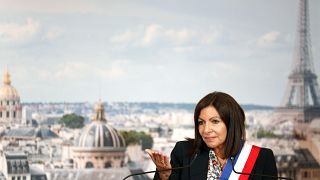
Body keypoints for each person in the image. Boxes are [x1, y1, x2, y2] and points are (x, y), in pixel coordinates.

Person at [146, 91, 278, 180]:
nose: (206, 130)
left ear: (232, 123)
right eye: (201, 122)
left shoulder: (261, 158)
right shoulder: (184, 152)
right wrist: (164, 176)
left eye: (215, 121)